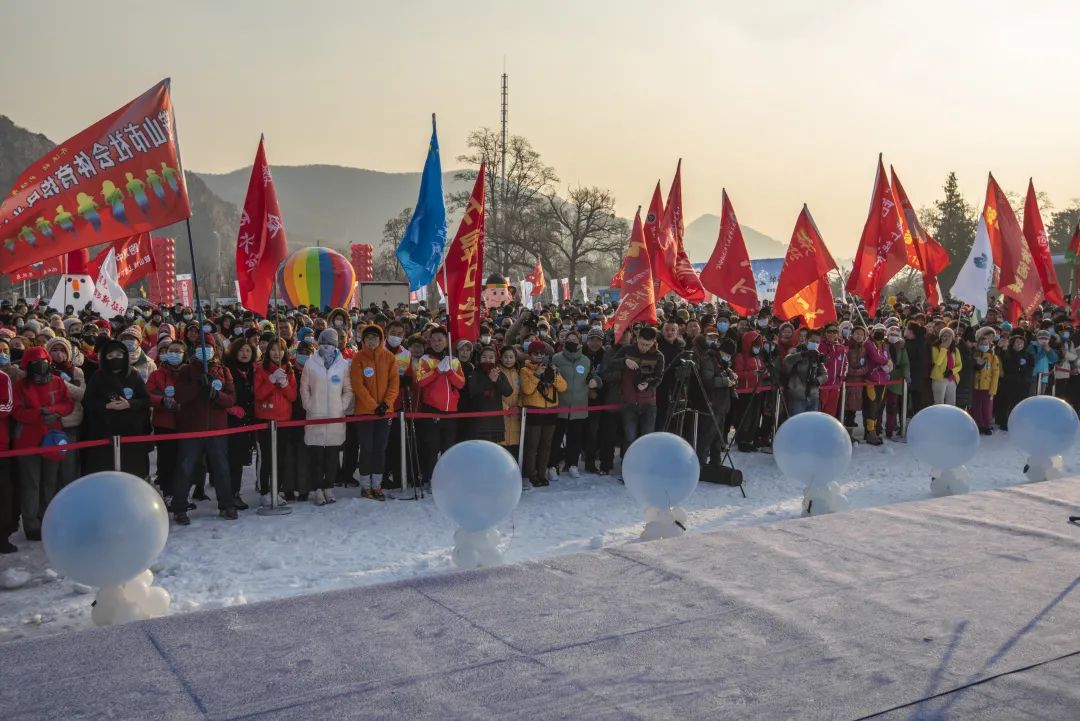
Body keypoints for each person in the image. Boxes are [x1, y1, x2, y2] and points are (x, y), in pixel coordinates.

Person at [172, 334, 237, 524]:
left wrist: (216, 395)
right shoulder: (186, 371)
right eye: (201, 346)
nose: (205, 349)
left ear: (215, 349)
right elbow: (180, 396)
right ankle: (179, 508)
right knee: (185, 468)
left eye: (208, 346)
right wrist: (197, 386)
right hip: (192, 428)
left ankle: (226, 504)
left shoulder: (224, 371)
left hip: (217, 429)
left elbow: (231, 398)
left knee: (221, 468)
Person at [10, 347, 73, 541]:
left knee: (50, 482)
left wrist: (54, 411)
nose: (40, 366)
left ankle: (48, 519)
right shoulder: (20, 385)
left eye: (43, 361)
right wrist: (39, 414)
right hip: (28, 442)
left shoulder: (57, 381)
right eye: (35, 363)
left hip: (53, 439)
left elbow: (68, 403)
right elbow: (16, 411)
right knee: (31, 484)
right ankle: (31, 524)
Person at [81, 339, 152, 476]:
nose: (115, 359)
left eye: (119, 356)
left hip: (131, 434)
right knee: (105, 473)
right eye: (110, 356)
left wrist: (130, 404)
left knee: (132, 472)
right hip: (104, 433)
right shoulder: (97, 377)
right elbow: (88, 402)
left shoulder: (134, 375)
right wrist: (106, 405)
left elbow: (145, 400)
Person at [300, 328, 353, 506]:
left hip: (336, 417)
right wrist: (309, 405)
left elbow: (348, 389)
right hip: (315, 415)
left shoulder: (343, 364)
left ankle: (329, 487)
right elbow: (304, 388)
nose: (327, 347)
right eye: (324, 343)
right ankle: (316, 489)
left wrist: (342, 406)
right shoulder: (311, 362)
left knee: (331, 456)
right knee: (316, 456)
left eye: (330, 343)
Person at [349, 324, 399, 501]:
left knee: (380, 449)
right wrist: (373, 406)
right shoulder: (358, 358)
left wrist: (385, 404)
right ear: (363, 340)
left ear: (381, 339)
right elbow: (357, 385)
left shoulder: (389, 357)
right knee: (367, 449)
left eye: (375, 338)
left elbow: (394, 384)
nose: (371, 341)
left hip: (385, 413)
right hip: (365, 412)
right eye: (368, 337)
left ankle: (377, 484)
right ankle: (365, 485)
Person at [414, 327, 465, 485]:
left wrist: (449, 372)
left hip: (451, 412)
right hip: (432, 410)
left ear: (446, 341)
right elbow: (421, 381)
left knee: (448, 447)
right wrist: (437, 371)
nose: (437, 343)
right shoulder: (425, 359)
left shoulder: (454, 360)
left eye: (440, 340)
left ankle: (446, 478)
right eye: (434, 340)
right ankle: (429, 477)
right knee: (432, 447)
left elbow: (461, 383)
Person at [520, 340, 567, 486]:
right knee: (533, 445)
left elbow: (563, 387)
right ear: (530, 354)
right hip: (535, 411)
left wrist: (554, 375)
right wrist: (536, 375)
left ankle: (542, 473)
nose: (539, 356)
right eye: (536, 353)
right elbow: (527, 390)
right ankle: (532, 474)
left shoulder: (550, 368)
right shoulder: (525, 370)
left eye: (542, 353)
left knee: (546, 445)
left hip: (551, 411)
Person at [690, 333, 738, 467]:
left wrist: (731, 376)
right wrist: (725, 381)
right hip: (712, 404)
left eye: (730, 354)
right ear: (720, 350)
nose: (727, 356)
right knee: (707, 436)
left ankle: (716, 462)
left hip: (722, 405)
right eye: (726, 353)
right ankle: (701, 463)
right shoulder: (710, 359)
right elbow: (706, 380)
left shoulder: (723, 363)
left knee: (718, 437)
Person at [549, 330, 591, 478]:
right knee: (556, 438)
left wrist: (595, 381)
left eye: (575, 340)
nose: (572, 342)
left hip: (579, 405)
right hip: (560, 405)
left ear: (580, 343)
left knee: (575, 438)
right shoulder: (556, 358)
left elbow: (591, 376)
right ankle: (552, 466)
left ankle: (572, 464)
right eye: (569, 339)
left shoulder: (586, 360)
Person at [146, 340, 185, 496]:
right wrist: (162, 400)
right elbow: (148, 394)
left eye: (178, 352)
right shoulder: (157, 374)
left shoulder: (187, 372)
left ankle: (182, 493)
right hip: (164, 423)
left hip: (185, 423)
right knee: (166, 460)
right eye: (171, 351)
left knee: (182, 461)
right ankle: (168, 492)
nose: (174, 354)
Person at [44, 337, 84, 487]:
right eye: (54, 350)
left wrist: (61, 382)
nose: (58, 354)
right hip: (49, 426)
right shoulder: (42, 372)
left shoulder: (76, 371)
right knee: (51, 474)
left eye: (62, 350)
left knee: (69, 470)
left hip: (70, 425)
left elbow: (81, 394)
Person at [224, 340, 257, 510]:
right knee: (230, 460)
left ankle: (235, 492)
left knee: (239, 460)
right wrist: (230, 408)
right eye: (241, 350)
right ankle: (228, 495)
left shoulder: (253, 370)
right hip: (229, 421)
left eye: (248, 350)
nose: (244, 353)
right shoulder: (226, 368)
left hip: (247, 421)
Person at [620, 326, 665, 448]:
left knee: (647, 437)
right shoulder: (627, 350)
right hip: (629, 401)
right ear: (638, 338)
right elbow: (610, 364)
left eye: (648, 345)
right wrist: (624, 361)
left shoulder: (658, 356)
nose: (644, 347)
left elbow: (659, 377)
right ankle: (627, 462)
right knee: (630, 437)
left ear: (653, 342)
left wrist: (649, 384)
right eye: (642, 343)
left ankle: (644, 464)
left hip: (648, 402)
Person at [464, 345, 513, 444]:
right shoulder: (474, 373)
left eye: (491, 357)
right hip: (478, 422)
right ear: (479, 358)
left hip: (495, 422)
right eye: (484, 357)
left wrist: (497, 381)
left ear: (495, 359)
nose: (488, 360)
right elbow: (472, 391)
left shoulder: (499, 373)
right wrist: (489, 381)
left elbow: (508, 392)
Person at [782, 328, 828, 416]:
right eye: (812, 341)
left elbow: (825, 374)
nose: (815, 344)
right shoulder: (796, 350)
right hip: (797, 396)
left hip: (813, 397)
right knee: (796, 425)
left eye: (817, 342)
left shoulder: (817, 355)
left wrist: (818, 380)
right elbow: (786, 361)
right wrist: (803, 354)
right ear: (806, 340)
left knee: (811, 425)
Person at [971, 327, 1001, 435]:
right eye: (981, 343)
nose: (984, 345)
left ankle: (987, 425)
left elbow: (995, 374)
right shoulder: (974, 355)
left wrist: (993, 390)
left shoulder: (993, 357)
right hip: (976, 387)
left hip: (987, 387)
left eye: (986, 343)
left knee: (987, 407)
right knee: (977, 407)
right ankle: (978, 424)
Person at [882, 327, 909, 440]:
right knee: (879, 405)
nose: (892, 336)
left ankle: (890, 428)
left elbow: (905, 363)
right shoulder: (882, 345)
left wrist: (906, 374)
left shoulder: (901, 348)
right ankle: (876, 428)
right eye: (891, 334)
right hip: (882, 377)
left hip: (896, 378)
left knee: (892, 406)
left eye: (895, 334)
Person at [498, 345, 523, 459]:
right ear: (501, 358)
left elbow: (523, 392)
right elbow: (494, 395)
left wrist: (519, 407)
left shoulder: (518, 372)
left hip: (516, 415)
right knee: (501, 447)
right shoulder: (497, 372)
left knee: (514, 446)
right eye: (506, 357)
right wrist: (506, 408)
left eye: (511, 357)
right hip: (501, 414)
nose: (508, 360)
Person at [0, 369, 15, 553]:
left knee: (3, 494)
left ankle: (2, 537)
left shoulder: (2, 377)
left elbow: (8, 406)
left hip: (1, 447)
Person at [930, 327, 962, 405]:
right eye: (944, 336)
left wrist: (952, 371)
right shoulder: (935, 348)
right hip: (939, 379)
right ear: (940, 337)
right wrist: (943, 349)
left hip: (951, 379)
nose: (947, 338)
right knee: (939, 403)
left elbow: (959, 365)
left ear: (952, 338)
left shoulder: (955, 350)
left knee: (951, 403)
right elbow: (937, 362)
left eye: (949, 336)